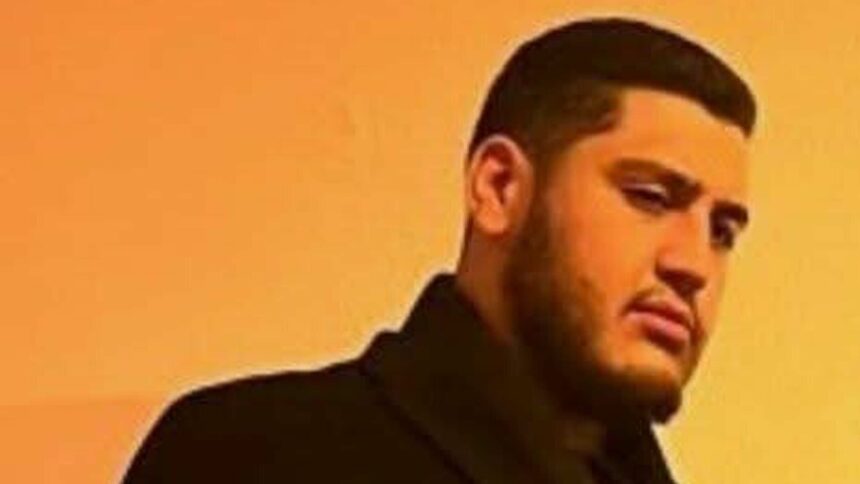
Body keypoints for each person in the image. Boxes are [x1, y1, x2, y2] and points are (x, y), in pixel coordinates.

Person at [123, 17, 756, 484]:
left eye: (722, 231)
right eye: (649, 197)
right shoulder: (252, 455)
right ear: (499, 188)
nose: (694, 264)